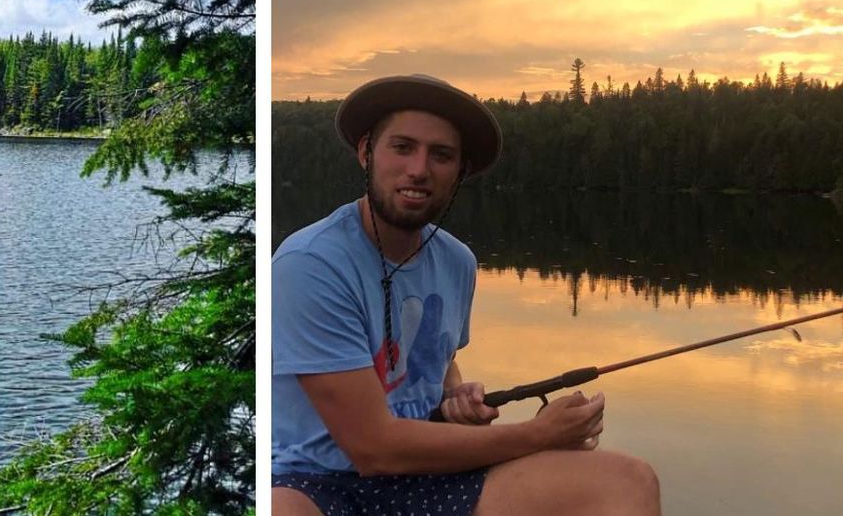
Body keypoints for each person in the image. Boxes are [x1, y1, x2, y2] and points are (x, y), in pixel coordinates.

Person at [272, 75, 661, 515]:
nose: (419, 169)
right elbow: (373, 447)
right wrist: (537, 435)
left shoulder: (457, 262)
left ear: (460, 171)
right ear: (366, 151)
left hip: (427, 477)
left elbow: (439, 361)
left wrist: (454, 397)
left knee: (626, 481)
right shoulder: (311, 263)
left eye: (441, 155)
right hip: (316, 482)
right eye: (402, 147)